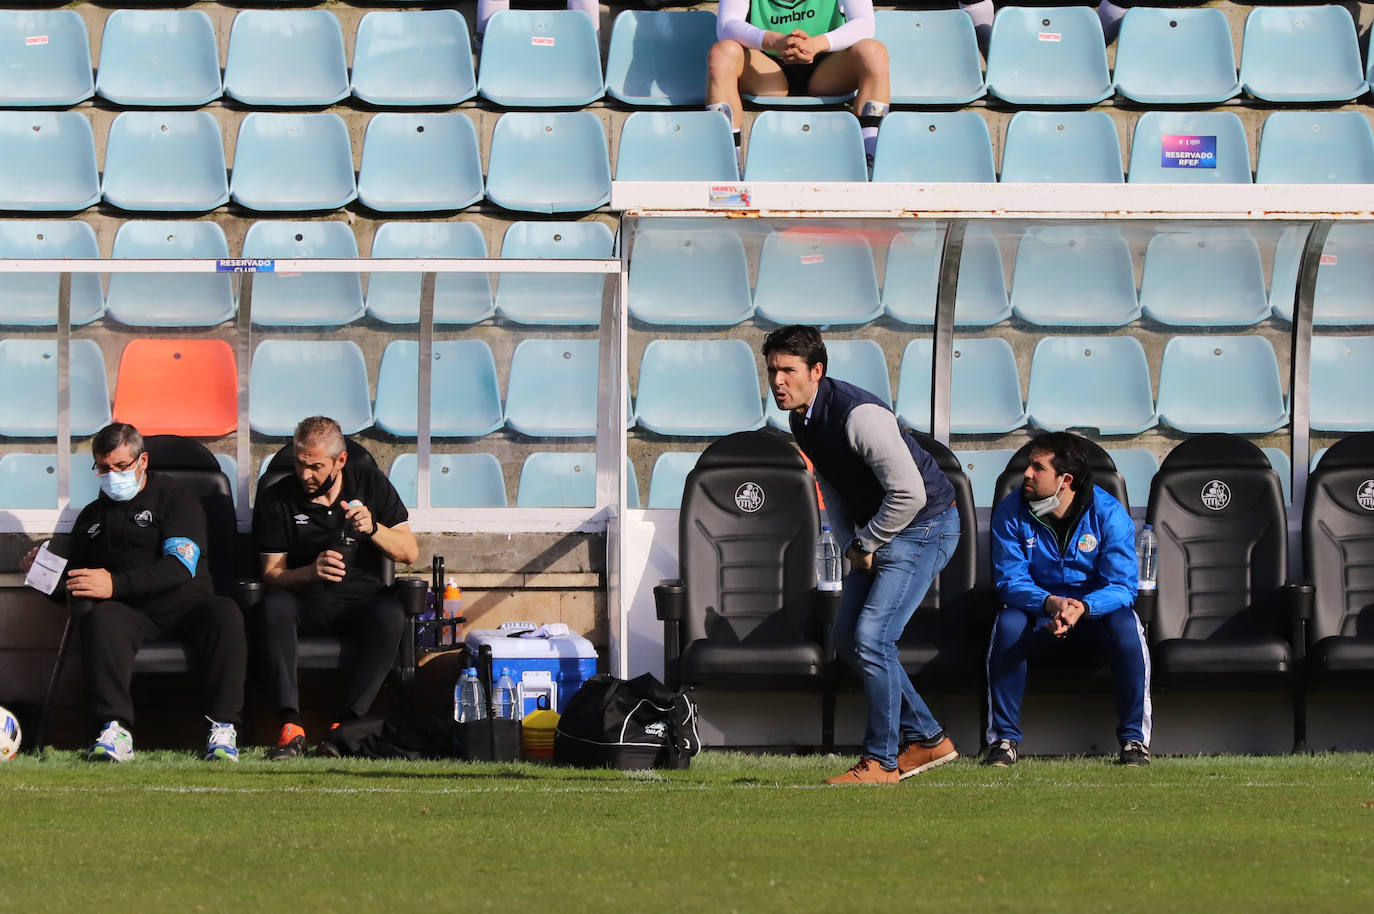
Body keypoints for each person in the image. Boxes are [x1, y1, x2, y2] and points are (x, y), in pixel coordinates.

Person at [762, 325, 961, 785]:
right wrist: (853, 542)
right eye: (772, 370)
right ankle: (929, 739)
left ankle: (881, 762)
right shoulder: (801, 419)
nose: (778, 381)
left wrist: (865, 543)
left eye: (788, 370)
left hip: (925, 527)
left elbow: (910, 495)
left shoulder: (859, 416)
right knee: (850, 640)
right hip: (882, 530)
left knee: (873, 638)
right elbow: (830, 483)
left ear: (817, 371)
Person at [19, 423, 247, 762]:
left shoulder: (176, 498)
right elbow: (79, 583)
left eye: (121, 466)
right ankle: (114, 730)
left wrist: (115, 584)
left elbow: (180, 565)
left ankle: (223, 729)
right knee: (102, 619)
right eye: (104, 468)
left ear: (142, 461)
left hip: (187, 605)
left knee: (225, 613)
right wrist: (41, 572)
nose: (112, 475)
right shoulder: (92, 518)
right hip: (129, 614)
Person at [252, 417, 419, 759]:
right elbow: (272, 573)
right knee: (273, 605)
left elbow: (409, 552)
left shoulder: (370, 483)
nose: (305, 474)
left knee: (391, 614)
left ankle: (346, 726)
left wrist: (373, 528)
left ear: (340, 461)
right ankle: (290, 725)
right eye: (300, 463)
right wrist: (310, 573)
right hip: (304, 600)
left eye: (315, 466)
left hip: (360, 602)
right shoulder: (277, 498)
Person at [986, 432, 1151, 767]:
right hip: (1039, 614)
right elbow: (1010, 581)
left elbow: (1122, 586)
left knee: (1127, 624)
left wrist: (1084, 607)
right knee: (1007, 622)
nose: (1026, 474)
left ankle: (1134, 741)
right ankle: (1003, 740)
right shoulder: (1011, 510)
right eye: (1028, 465)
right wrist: (1051, 603)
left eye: (1037, 467)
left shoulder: (1108, 513)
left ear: (1065, 480)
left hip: (1093, 616)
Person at [706, 0, 890, 176]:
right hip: (767, 69)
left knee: (874, 52)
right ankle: (726, 169)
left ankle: (871, 166)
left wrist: (816, 44)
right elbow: (727, 25)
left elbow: (865, 23)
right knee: (722, 54)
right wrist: (772, 40)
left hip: (827, 64)